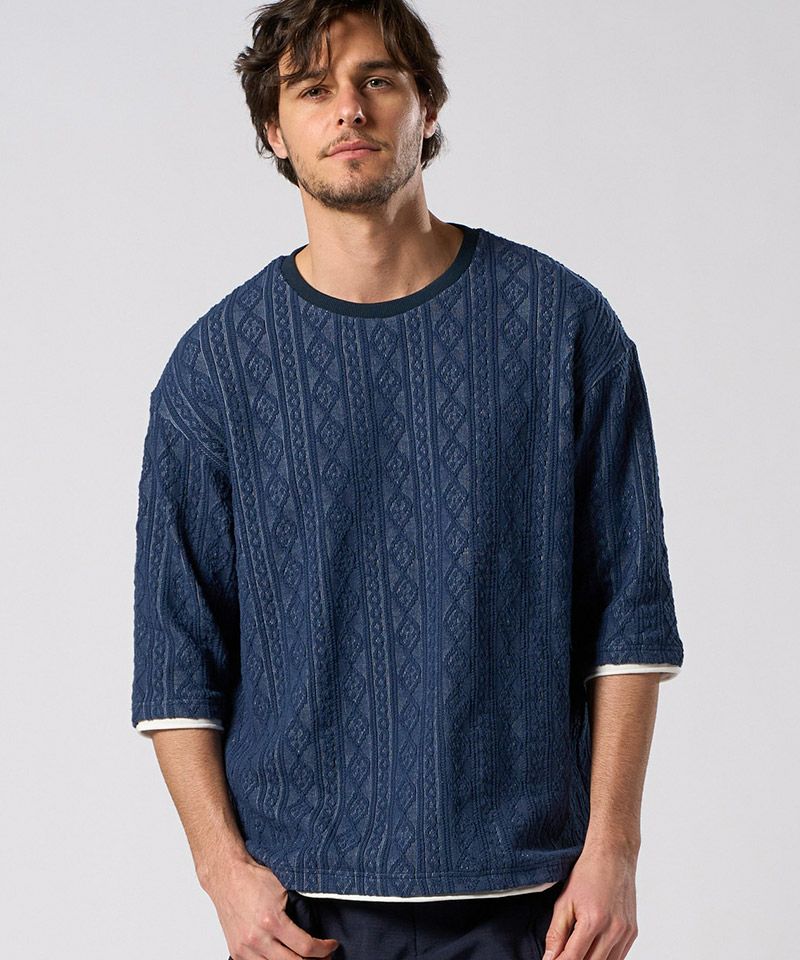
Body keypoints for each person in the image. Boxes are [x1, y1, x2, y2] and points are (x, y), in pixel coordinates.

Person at [130, 1, 685, 958]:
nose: (348, 108)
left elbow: (629, 608)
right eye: (312, 89)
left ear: (426, 104)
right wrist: (224, 874)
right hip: (303, 904)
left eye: (377, 79)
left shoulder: (562, 328)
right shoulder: (215, 370)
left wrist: (616, 851)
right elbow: (177, 652)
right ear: (274, 129)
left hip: (537, 893)